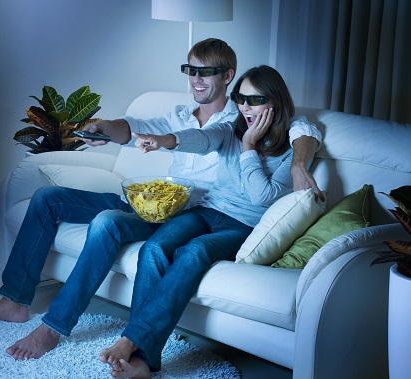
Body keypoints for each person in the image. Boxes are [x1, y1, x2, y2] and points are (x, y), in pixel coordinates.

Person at [0, 39, 321, 360]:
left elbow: (299, 127)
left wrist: (300, 164)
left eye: (205, 72)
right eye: (190, 70)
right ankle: (14, 299)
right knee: (47, 199)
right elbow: (133, 126)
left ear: (227, 76)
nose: (196, 79)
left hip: (186, 208)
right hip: (150, 200)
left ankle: (63, 329)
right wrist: (108, 129)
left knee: (107, 224)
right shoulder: (186, 114)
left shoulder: (236, 120)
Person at [101, 65, 298, 378]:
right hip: (208, 210)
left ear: (274, 102)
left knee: (194, 251)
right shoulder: (229, 129)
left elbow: (262, 196)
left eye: (255, 99)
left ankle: (132, 343)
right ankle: (143, 360)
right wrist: (166, 140)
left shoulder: (292, 147)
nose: (245, 107)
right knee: (154, 248)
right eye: (240, 98)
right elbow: (202, 139)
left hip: (243, 226)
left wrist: (249, 146)